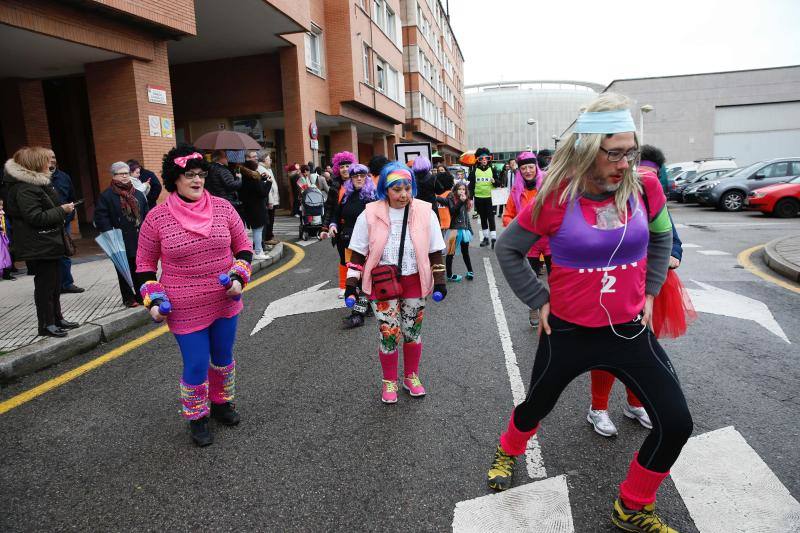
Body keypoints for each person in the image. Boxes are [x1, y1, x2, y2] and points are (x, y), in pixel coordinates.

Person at [486, 94, 691, 533]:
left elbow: (661, 239)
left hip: (628, 330)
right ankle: (509, 447)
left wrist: (651, 291)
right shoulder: (556, 197)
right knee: (536, 404)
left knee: (676, 422)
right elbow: (509, 248)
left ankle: (633, 507)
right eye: (614, 153)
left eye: (630, 152)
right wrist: (539, 299)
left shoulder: (645, 188)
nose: (624, 163)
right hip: (570, 332)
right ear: (586, 149)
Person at [136, 145, 253, 447]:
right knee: (197, 363)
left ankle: (222, 402)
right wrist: (152, 300)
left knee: (223, 358)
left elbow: (243, 248)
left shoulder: (224, 208)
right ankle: (197, 416)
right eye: (190, 175)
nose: (197, 180)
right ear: (174, 178)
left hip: (225, 298)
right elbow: (145, 266)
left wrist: (239, 278)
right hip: (183, 305)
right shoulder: (157, 218)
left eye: (201, 175)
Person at [587, 145, 686, 437]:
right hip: (613, 286)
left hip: (651, 287)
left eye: (653, 176)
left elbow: (670, 237)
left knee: (641, 349)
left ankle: (635, 402)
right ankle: (598, 408)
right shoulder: (608, 199)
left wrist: (674, 254)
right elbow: (596, 243)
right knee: (608, 349)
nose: (647, 181)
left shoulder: (655, 200)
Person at [345, 163, 447, 403]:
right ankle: (389, 380)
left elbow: (435, 250)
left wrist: (440, 281)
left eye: (407, 188)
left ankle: (411, 376)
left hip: (414, 280)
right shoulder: (369, 213)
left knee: (412, 332)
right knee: (389, 334)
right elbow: (358, 253)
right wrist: (351, 284)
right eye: (397, 189)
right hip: (383, 282)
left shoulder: (425, 211)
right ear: (385, 190)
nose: (403, 194)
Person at [4, 147, 80, 338]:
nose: (50, 164)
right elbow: (34, 217)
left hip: (47, 241)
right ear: (36, 164)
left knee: (54, 283)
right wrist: (62, 210)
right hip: (38, 243)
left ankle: (57, 319)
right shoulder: (24, 187)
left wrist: (62, 210)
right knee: (45, 285)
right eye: (47, 160)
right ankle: (46, 324)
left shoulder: (36, 183)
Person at [320, 164, 377, 328]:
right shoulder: (346, 196)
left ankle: (358, 313)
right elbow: (336, 215)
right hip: (349, 243)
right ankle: (363, 309)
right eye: (355, 176)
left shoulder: (373, 198)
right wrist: (331, 225)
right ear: (351, 179)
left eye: (362, 175)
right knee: (357, 279)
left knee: (364, 279)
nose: (359, 178)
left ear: (367, 177)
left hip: (369, 245)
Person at [501, 151, 550, 327]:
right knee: (532, 279)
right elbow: (507, 215)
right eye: (524, 168)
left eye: (531, 167)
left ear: (536, 167)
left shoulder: (548, 186)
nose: (528, 171)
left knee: (556, 279)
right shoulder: (516, 190)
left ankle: (558, 312)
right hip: (529, 244)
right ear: (519, 171)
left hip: (550, 241)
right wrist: (516, 227)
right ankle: (534, 308)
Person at [93, 162, 149, 307]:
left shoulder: (138, 193)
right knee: (124, 269)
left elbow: (146, 213)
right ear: (114, 176)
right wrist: (109, 233)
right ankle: (129, 298)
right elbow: (101, 217)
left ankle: (141, 295)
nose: (124, 176)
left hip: (138, 237)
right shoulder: (107, 195)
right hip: (119, 238)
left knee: (139, 268)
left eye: (126, 173)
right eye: (120, 173)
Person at [48, 150, 84, 295]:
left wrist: (68, 217)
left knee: (65, 252)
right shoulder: (37, 178)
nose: (52, 160)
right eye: (48, 158)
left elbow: (72, 198)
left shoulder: (63, 177)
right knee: (50, 255)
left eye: (53, 157)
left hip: (64, 222)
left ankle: (67, 283)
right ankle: (52, 285)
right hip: (46, 222)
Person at [321, 151, 356, 297]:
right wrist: (325, 227)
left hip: (355, 226)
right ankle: (343, 286)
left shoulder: (357, 183)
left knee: (357, 257)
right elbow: (329, 207)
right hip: (340, 227)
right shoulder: (335, 185)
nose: (345, 169)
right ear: (337, 168)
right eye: (342, 166)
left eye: (348, 165)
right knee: (343, 257)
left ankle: (358, 285)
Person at [438, 180, 474, 282]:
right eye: (459, 189)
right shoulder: (451, 199)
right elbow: (453, 211)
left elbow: (466, 217)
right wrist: (461, 201)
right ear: (455, 190)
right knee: (450, 253)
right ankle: (449, 275)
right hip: (454, 230)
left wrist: (470, 229)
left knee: (465, 252)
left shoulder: (466, 200)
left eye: (463, 189)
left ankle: (470, 271)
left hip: (464, 231)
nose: (462, 191)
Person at [240, 150, 272, 260]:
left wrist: (261, 178)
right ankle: (258, 251)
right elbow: (262, 192)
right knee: (258, 230)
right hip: (256, 207)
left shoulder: (245, 176)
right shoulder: (253, 177)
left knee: (256, 230)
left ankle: (258, 250)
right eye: (254, 157)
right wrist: (268, 182)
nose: (256, 159)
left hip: (250, 207)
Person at [468, 147, 499, 248]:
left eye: (486, 158)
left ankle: (494, 239)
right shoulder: (474, 171)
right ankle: (486, 238)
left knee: (491, 218)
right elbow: (471, 186)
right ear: (478, 160)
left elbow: (499, 183)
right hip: (479, 198)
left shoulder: (493, 169)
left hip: (490, 198)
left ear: (488, 159)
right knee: (483, 218)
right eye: (481, 158)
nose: (484, 160)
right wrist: (470, 199)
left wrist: (495, 182)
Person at [258, 152, 279, 247]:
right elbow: (268, 187)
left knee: (271, 219)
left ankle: (269, 236)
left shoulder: (267, 169)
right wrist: (270, 201)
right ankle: (268, 238)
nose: (270, 161)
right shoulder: (261, 169)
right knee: (269, 219)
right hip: (269, 200)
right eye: (268, 159)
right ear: (263, 160)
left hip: (272, 199)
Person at [0, 198, 14, 280]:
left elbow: (6, 226)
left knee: (6, 255)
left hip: (4, 238)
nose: (1, 207)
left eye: (2, 205)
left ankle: (6, 273)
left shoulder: (3, 215)